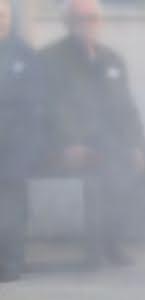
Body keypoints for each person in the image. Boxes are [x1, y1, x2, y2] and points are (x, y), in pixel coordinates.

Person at [41, 0, 145, 269]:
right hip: (64, 144)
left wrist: (136, 145)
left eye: (93, 18)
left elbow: (127, 108)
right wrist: (68, 144)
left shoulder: (112, 60)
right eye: (80, 19)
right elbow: (49, 109)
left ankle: (112, 240)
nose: (88, 24)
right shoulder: (50, 59)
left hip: (107, 142)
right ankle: (97, 247)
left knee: (128, 163)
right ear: (67, 23)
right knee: (107, 164)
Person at [0, 0, 43, 283]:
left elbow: (34, 104)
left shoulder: (24, 55)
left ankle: (10, 261)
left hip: (14, 144)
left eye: (2, 15)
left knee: (11, 203)